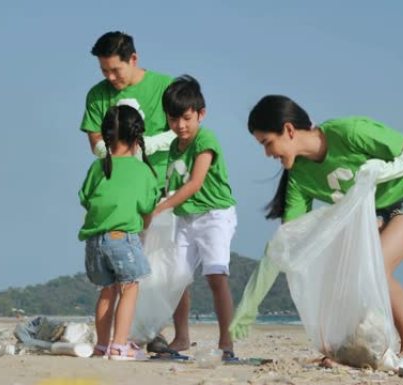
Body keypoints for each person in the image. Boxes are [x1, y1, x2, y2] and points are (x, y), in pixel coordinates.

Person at [230, 95, 403, 368]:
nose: (267, 153)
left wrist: (382, 171)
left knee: (377, 266)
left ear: (288, 130)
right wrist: (250, 303)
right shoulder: (299, 177)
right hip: (377, 208)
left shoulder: (348, 131)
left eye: (267, 143)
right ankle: (352, 348)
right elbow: (286, 241)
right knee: (342, 270)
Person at [152, 75, 238, 359]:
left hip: (215, 215)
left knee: (215, 275)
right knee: (178, 279)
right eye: (174, 119)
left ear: (201, 113)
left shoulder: (205, 139)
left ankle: (227, 341)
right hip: (186, 218)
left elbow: (194, 183)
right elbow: (166, 186)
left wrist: (160, 208)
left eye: (187, 118)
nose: (181, 125)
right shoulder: (174, 147)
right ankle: (181, 338)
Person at [78, 103, 160, 359]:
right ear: (137, 137)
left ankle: (102, 345)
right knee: (129, 287)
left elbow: (85, 197)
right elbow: (148, 207)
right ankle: (119, 345)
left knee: (106, 291)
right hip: (121, 238)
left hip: (93, 241)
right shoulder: (143, 171)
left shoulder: (97, 166)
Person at [80, 31, 174, 189]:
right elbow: (95, 141)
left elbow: (186, 130)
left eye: (116, 70)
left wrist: (152, 144)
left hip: (164, 188)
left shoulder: (166, 86)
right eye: (104, 70)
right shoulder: (97, 95)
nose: (110, 77)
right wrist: (124, 153)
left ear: (133, 59)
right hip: (120, 187)